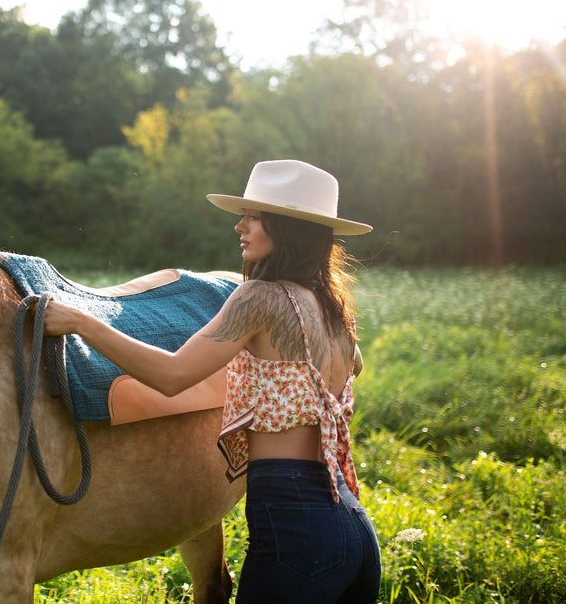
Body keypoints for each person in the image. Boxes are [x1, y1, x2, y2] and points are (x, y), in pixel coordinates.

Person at [42, 159, 381, 603]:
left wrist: (83, 323)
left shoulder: (260, 297)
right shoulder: (334, 309)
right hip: (352, 525)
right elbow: (351, 365)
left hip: (294, 527)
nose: (239, 226)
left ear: (286, 227)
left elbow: (171, 375)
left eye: (254, 216)